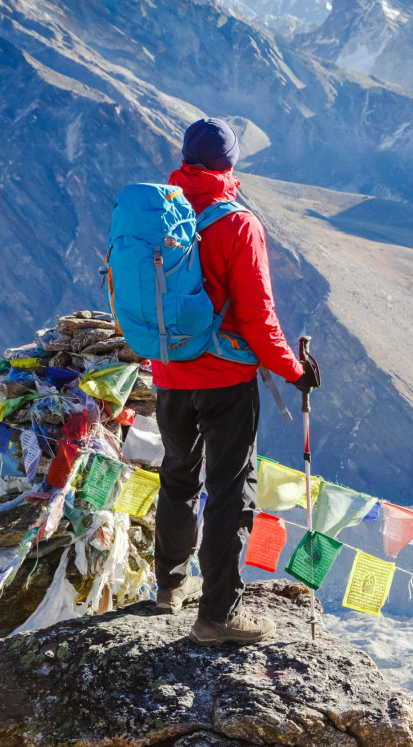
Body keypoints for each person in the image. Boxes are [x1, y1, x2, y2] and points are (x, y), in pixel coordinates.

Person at [150, 117, 319, 645]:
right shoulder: (237, 224)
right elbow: (257, 318)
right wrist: (297, 372)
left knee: (178, 476)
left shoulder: (161, 215)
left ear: (185, 158)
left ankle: (168, 588)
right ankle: (217, 615)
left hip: (169, 371)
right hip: (225, 378)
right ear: (231, 163)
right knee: (228, 489)